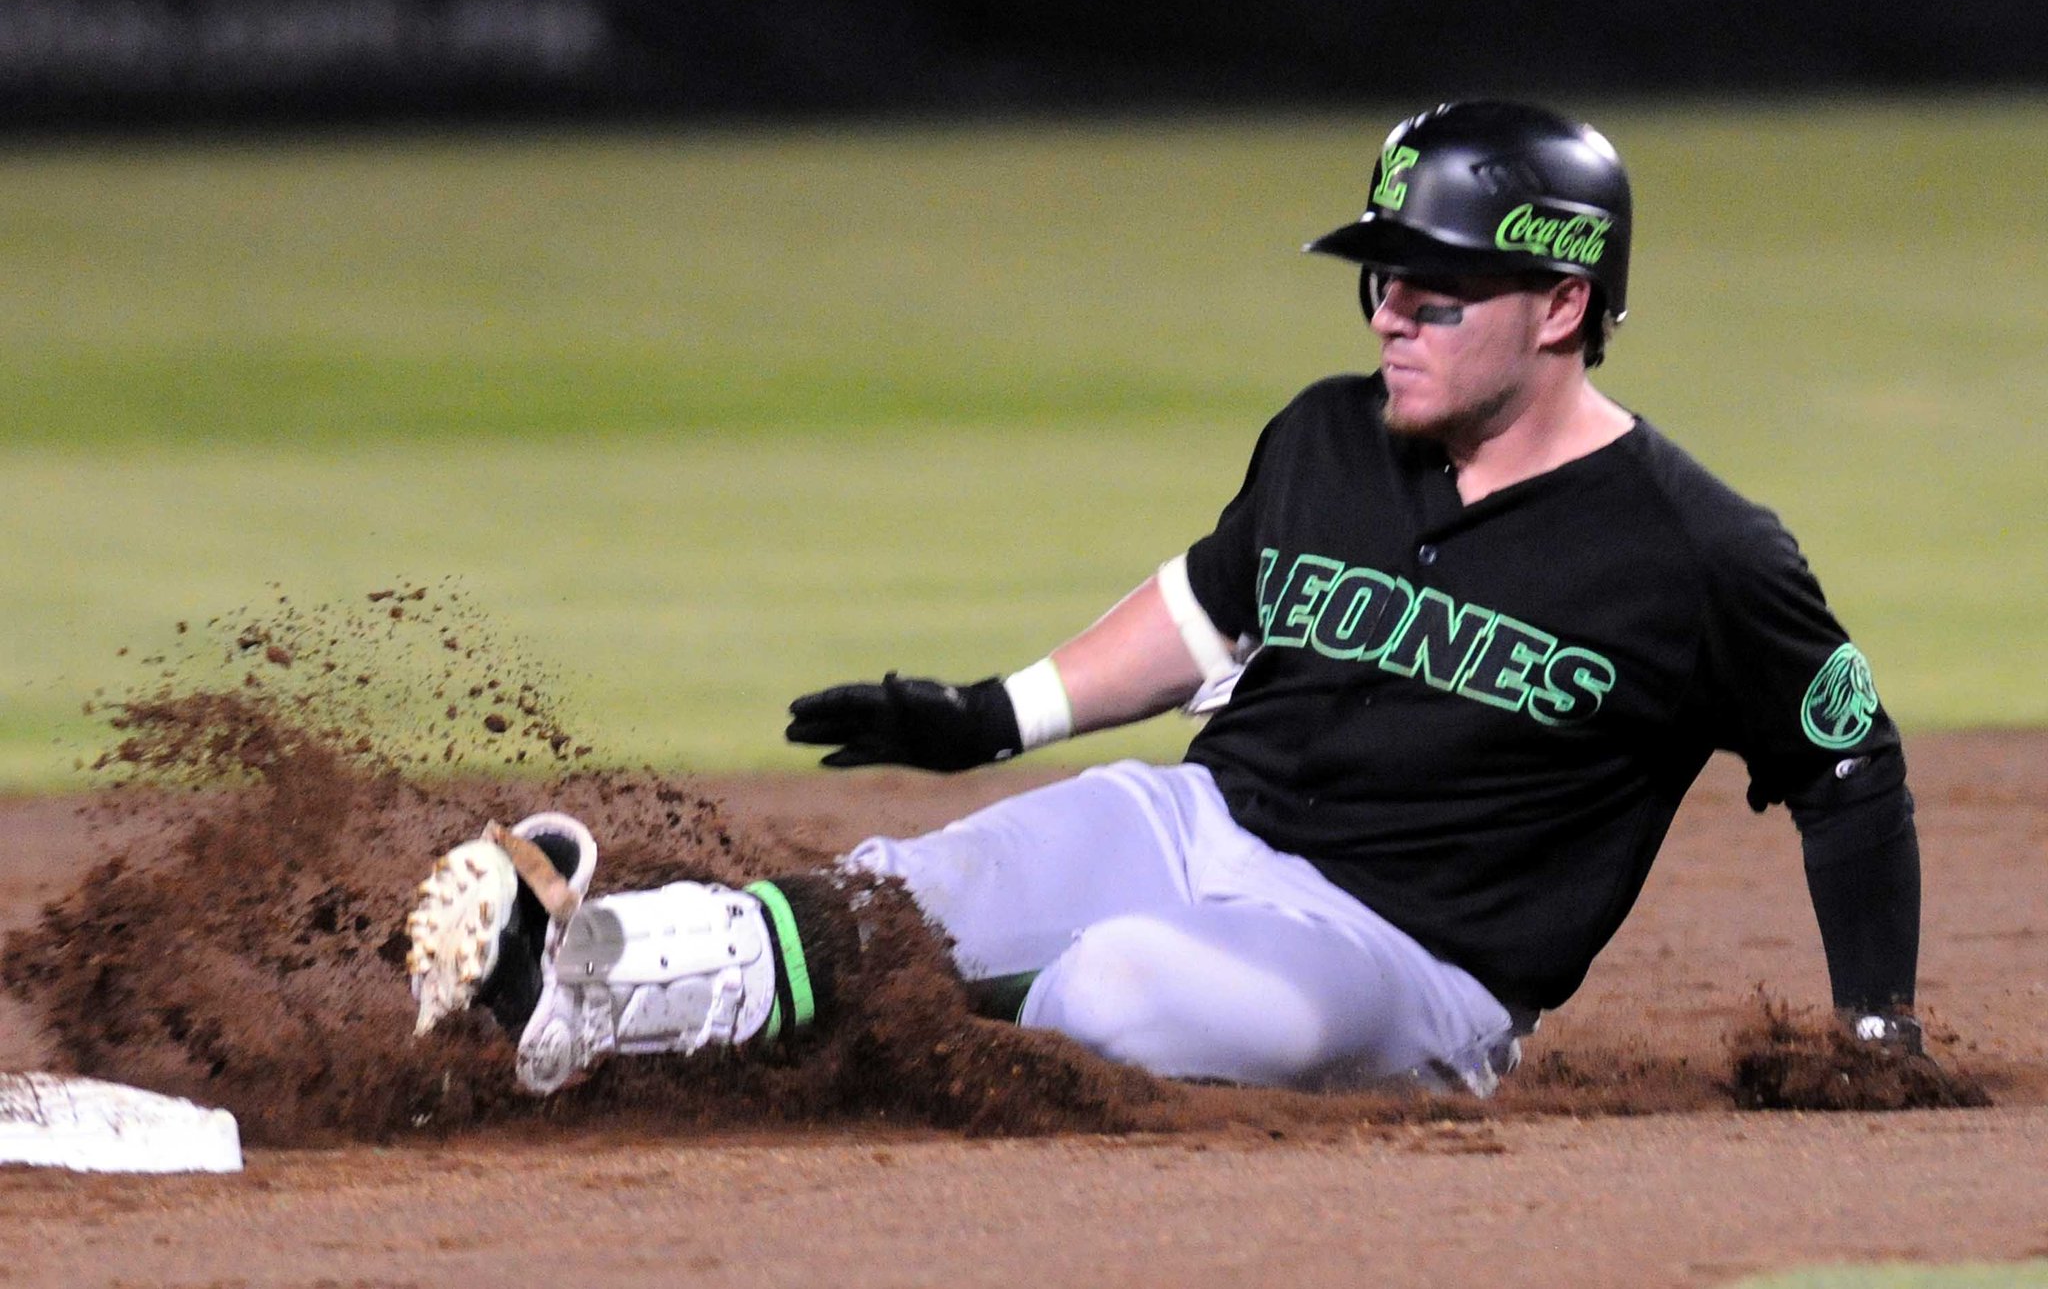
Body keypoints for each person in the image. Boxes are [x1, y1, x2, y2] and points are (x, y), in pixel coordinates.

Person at [406, 99, 1924, 1097]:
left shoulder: (1704, 552)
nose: (1388, 310)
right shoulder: (1331, 432)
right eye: (1376, 275)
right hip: (1197, 822)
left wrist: (1875, 1032)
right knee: (903, 894)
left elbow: (1849, 769)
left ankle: (746, 1039)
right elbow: (1209, 610)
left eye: (1431, 286)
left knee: (1122, 983)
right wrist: (988, 715)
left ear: (1566, 305)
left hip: (1409, 968)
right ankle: (580, 987)